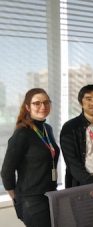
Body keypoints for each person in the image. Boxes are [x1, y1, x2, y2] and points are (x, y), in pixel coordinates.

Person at [1, 88, 60, 227]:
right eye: (37, 103)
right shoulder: (22, 133)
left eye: (46, 102)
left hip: (50, 195)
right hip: (32, 201)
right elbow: (6, 171)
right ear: (27, 107)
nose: (43, 106)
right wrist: (17, 199)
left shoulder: (47, 129)